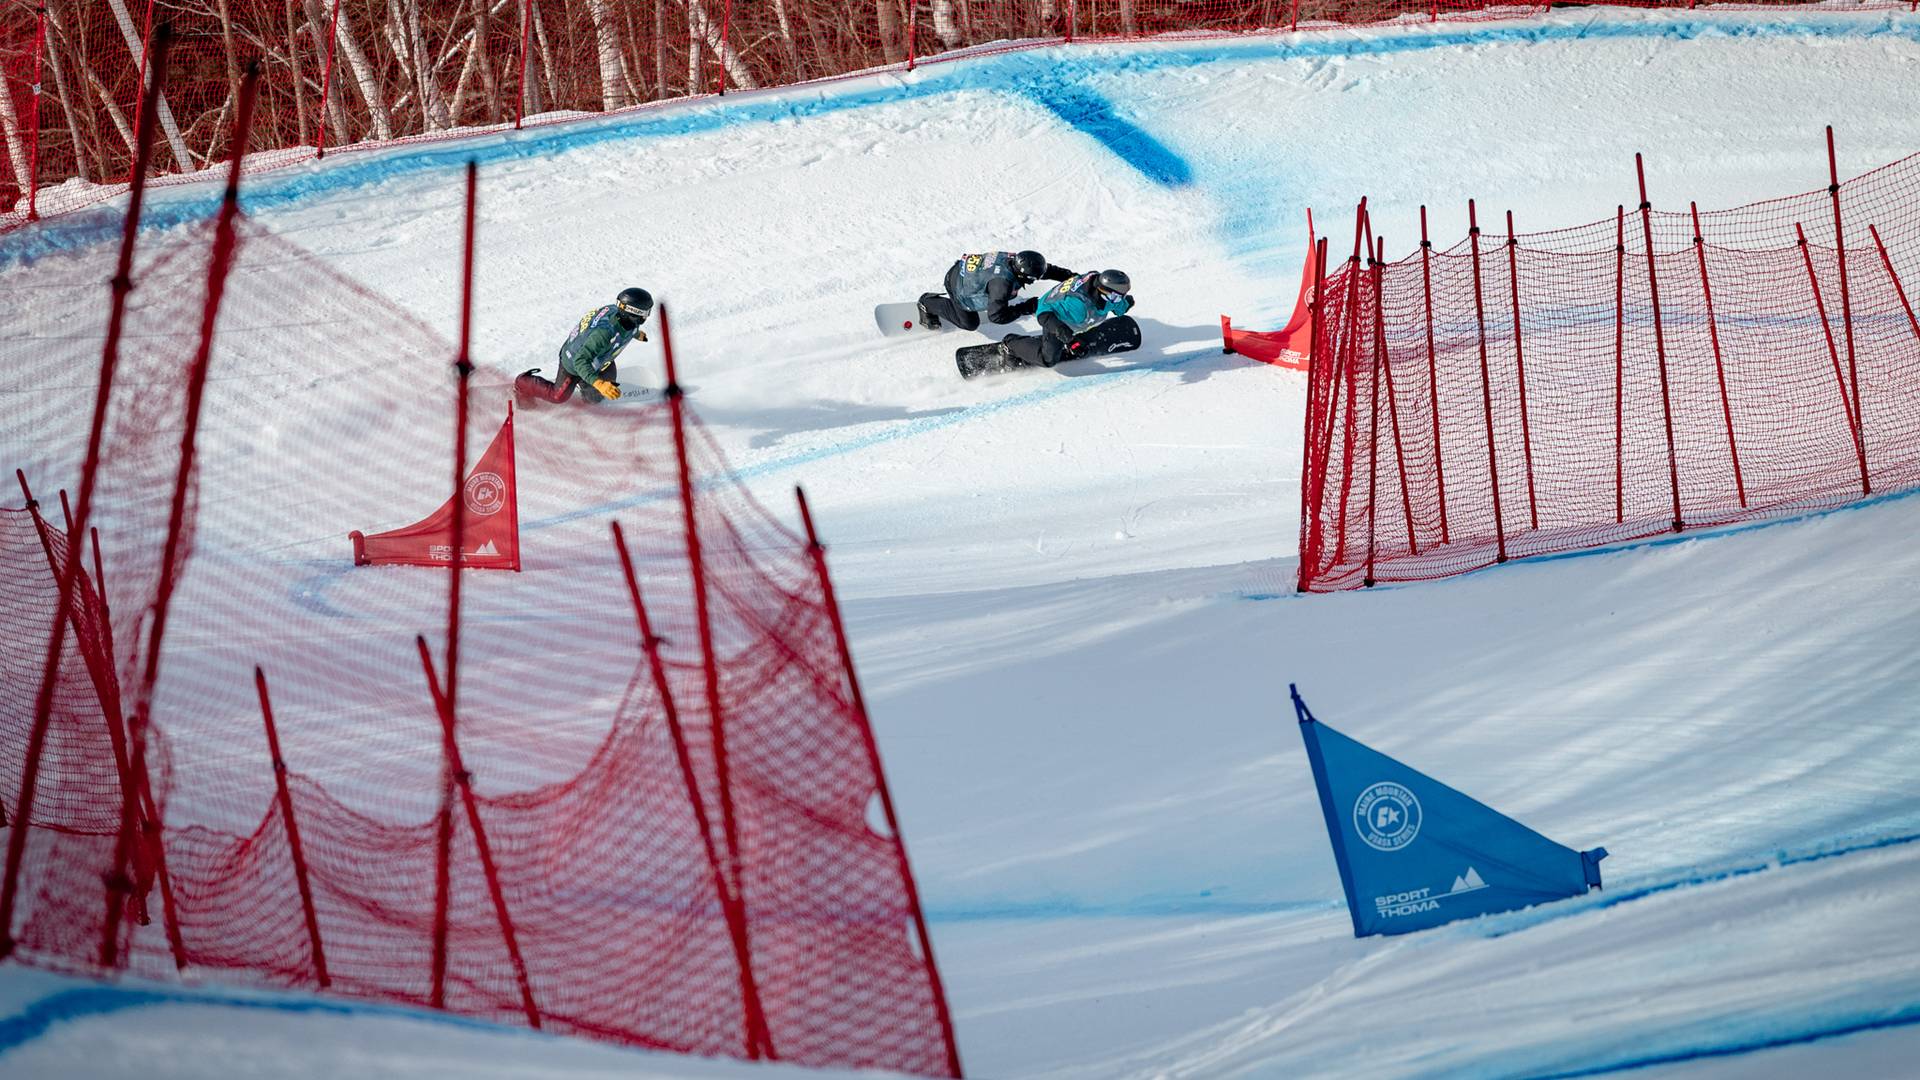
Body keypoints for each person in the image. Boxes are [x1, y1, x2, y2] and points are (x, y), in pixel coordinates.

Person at [515, 287, 652, 405]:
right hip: (574, 363)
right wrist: (599, 384)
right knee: (558, 396)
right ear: (632, 313)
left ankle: (587, 385)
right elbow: (580, 361)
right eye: (645, 313)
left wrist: (636, 334)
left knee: (595, 398)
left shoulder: (622, 315)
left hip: (601, 359)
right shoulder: (603, 334)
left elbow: (626, 328)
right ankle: (523, 382)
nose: (646, 317)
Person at [997, 268, 1134, 370]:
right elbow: (1045, 315)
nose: (1117, 300)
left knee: (1092, 317)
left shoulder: (1101, 288)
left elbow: (1114, 303)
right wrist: (1070, 340)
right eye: (1115, 297)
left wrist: (1125, 304)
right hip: (1052, 316)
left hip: (1072, 313)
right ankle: (1010, 345)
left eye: (1120, 296)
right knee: (1048, 360)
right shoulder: (1078, 307)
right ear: (1102, 289)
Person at [917, 250, 1075, 332]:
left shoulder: (1016, 259)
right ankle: (927, 303)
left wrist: (1073, 278)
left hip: (965, 271)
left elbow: (1045, 270)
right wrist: (1027, 307)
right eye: (1032, 278)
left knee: (1005, 297)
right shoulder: (1001, 286)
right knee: (969, 324)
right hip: (957, 286)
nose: (1034, 280)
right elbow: (996, 317)